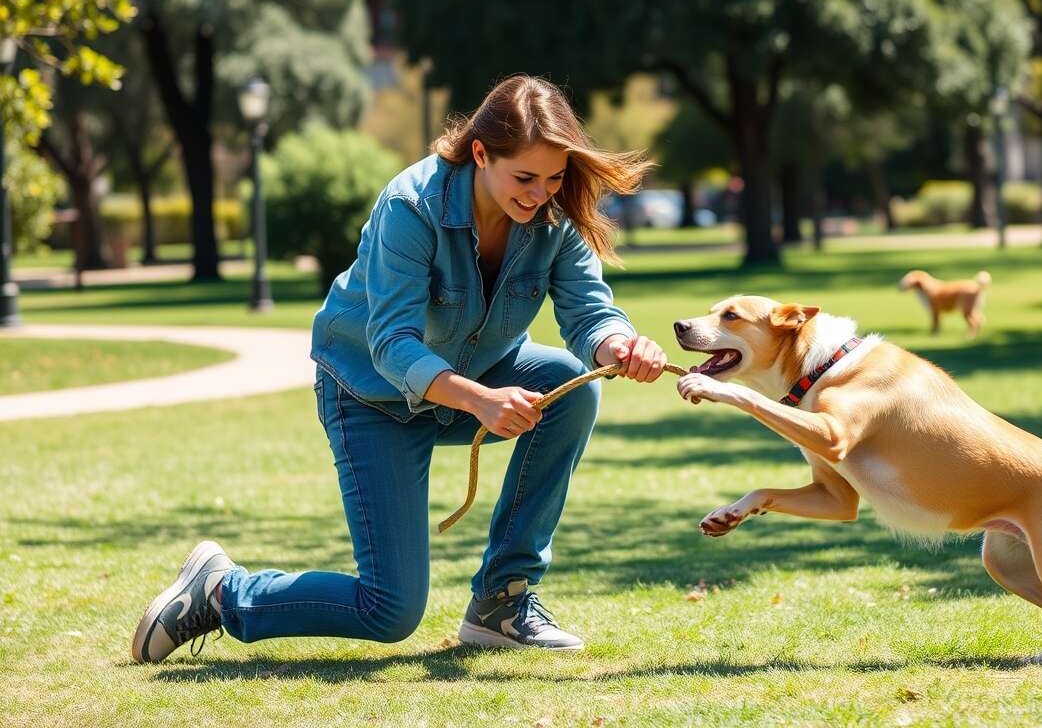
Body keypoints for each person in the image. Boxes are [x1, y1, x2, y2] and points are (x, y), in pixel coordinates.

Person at [131, 75, 669, 663]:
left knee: (569, 389)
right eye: (525, 177)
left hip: (476, 376)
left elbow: (590, 312)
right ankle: (221, 589)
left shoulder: (554, 217)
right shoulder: (411, 204)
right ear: (482, 154)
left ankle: (503, 600)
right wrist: (480, 401)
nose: (541, 193)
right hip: (370, 394)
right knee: (388, 610)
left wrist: (620, 345)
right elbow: (391, 343)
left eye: (554, 177)